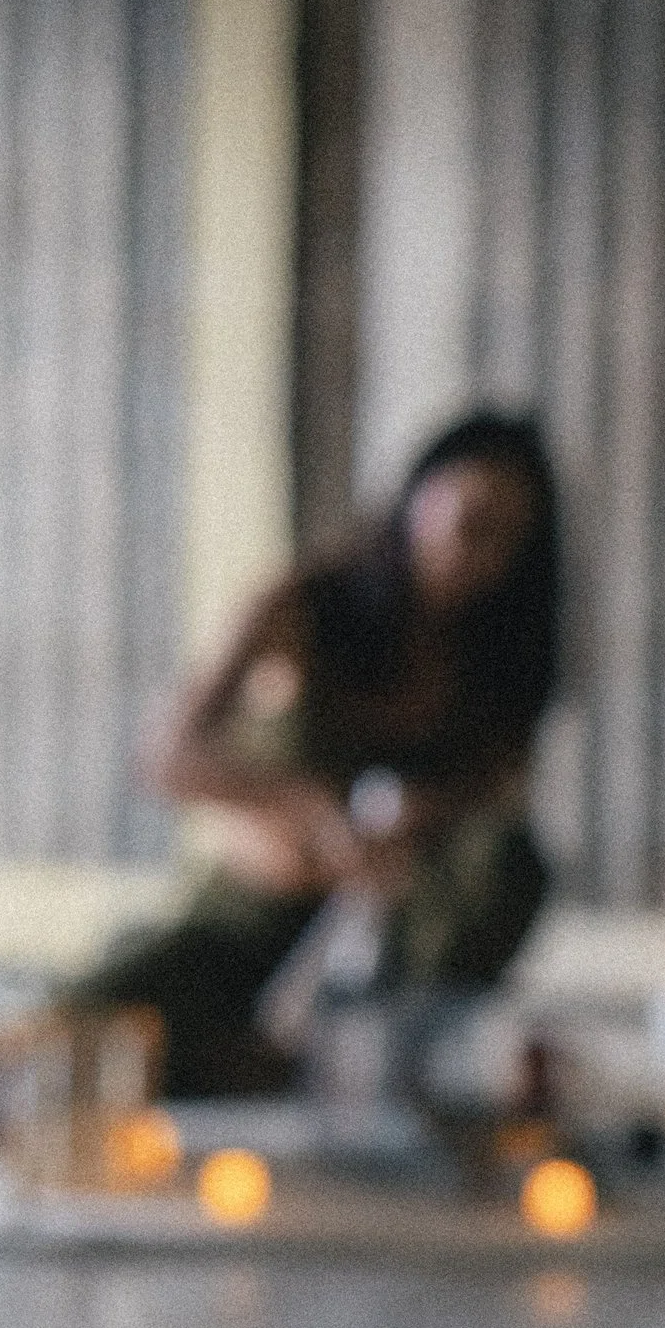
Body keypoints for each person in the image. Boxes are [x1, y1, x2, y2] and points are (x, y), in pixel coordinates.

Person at [69, 412, 562, 1097]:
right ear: (420, 496)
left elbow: (493, 800)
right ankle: (251, 1058)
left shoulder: (495, 661)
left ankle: (375, 1063)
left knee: (507, 862)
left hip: (400, 935)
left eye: (509, 542)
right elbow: (166, 754)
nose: (482, 555)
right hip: (262, 907)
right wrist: (307, 809)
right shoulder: (301, 606)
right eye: (473, 521)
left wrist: (413, 825)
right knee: (86, 1029)